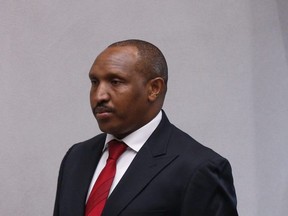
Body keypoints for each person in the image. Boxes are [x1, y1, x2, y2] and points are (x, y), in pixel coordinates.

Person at [53, 39, 238, 216]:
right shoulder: (76, 157)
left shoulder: (198, 168)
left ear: (154, 88)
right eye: (94, 82)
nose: (99, 95)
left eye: (115, 82)